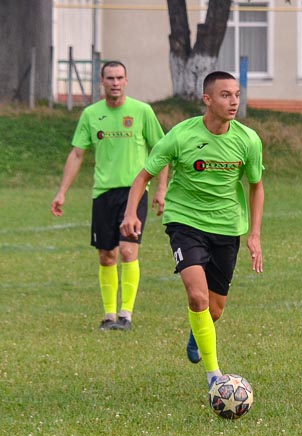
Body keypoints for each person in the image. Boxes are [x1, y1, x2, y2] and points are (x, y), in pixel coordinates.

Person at [119, 71, 265, 389]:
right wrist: (131, 212)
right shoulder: (181, 135)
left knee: (214, 308)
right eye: (225, 95)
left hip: (227, 227)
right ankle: (215, 377)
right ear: (207, 99)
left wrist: (254, 234)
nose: (234, 101)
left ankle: (197, 333)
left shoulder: (248, 140)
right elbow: (143, 176)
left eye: (237, 94)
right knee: (197, 297)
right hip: (185, 223)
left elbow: (256, 186)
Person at [51, 61, 168, 331]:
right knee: (106, 256)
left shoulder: (142, 111)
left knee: (128, 250)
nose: (115, 82)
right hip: (103, 193)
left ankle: (126, 314)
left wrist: (161, 189)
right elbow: (77, 153)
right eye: (110, 78)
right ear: (101, 81)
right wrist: (61, 192)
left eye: (119, 77)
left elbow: (161, 151)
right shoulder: (91, 114)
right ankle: (108, 315)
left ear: (126, 80)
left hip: (134, 192)